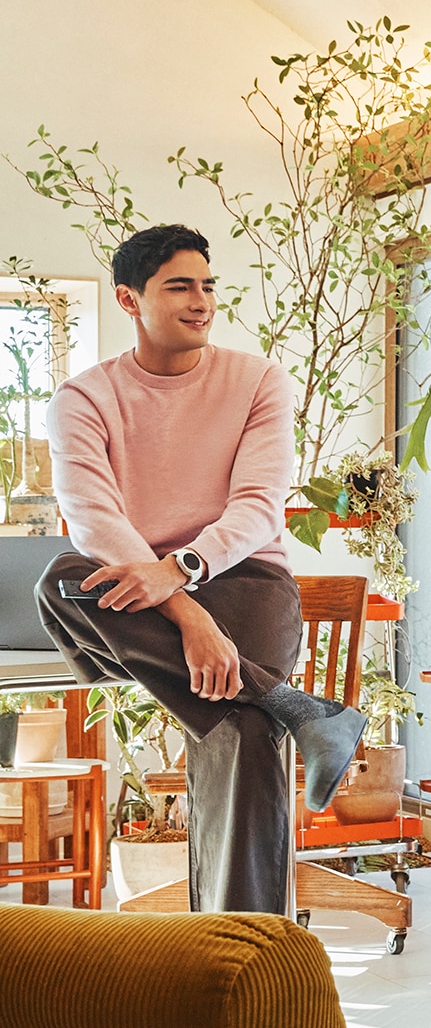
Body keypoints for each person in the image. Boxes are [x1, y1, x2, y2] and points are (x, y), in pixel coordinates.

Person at [37, 224, 366, 915]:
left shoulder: (256, 381)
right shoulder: (84, 399)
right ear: (129, 300)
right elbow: (96, 521)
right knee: (62, 579)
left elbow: (257, 507)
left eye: (208, 285)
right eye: (179, 286)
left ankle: (239, 953)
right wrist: (186, 612)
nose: (201, 301)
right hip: (143, 595)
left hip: (246, 577)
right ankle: (295, 707)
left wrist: (183, 568)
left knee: (238, 732)